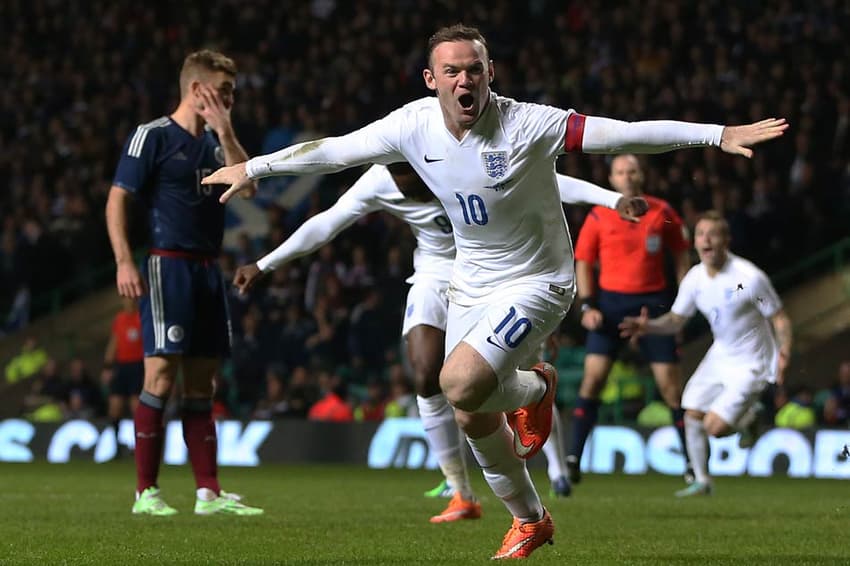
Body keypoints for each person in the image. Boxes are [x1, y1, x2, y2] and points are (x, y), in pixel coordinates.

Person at [203, 25, 786, 559]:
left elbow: (621, 135)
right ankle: (530, 518)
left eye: (474, 69)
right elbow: (333, 150)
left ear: (491, 72)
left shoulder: (527, 123)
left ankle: (535, 387)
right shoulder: (410, 126)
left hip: (539, 281)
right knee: (470, 413)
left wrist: (717, 134)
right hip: (470, 282)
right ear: (432, 80)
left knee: (456, 380)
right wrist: (256, 168)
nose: (465, 80)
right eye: (452, 71)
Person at [232, 161, 636, 523]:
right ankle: (460, 491)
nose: (413, 189)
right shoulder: (379, 181)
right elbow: (327, 222)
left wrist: (612, 199)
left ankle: (556, 468)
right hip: (434, 275)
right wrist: (266, 263)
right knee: (426, 374)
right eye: (403, 182)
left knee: (514, 378)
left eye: (416, 179)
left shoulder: (460, 160)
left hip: (495, 275)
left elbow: (551, 182)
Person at [105, 49, 262, 516]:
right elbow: (117, 201)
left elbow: (248, 186)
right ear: (198, 90)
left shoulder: (218, 142)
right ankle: (145, 493)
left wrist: (226, 130)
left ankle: (208, 494)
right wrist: (123, 262)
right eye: (225, 91)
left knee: (202, 384)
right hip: (165, 265)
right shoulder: (151, 137)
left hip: (206, 269)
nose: (231, 98)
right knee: (161, 374)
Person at [619, 211, 792, 497]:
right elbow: (676, 320)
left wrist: (784, 351)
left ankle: (750, 420)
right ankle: (701, 480)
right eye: (701, 234)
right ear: (695, 242)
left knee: (713, 427)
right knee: (691, 414)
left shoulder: (749, 278)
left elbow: (779, 318)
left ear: (727, 240)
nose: (706, 239)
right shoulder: (695, 278)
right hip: (720, 354)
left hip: (753, 361)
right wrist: (647, 326)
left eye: (713, 234)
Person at [567, 154, 694, 487]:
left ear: (643, 175)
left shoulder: (662, 211)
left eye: (633, 170)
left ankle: (692, 465)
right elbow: (583, 262)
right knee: (592, 380)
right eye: (621, 171)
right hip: (610, 305)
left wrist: (684, 302)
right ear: (612, 179)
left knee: (670, 388)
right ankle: (572, 459)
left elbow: (682, 255)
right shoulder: (598, 214)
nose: (628, 176)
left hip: (653, 304)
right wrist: (588, 306)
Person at [101, 297, 145, 454]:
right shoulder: (119, 319)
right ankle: (116, 446)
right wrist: (107, 366)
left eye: (132, 299)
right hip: (121, 367)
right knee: (115, 407)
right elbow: (114, 342)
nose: (129, 302)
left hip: (138, 366)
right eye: (126, 299)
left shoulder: (142, 317)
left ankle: (141, 446)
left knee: (137, 407)